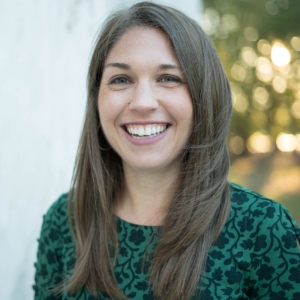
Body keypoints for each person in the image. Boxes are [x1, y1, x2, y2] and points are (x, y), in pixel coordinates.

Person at [33, 2, 300, 299]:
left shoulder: (263, 228)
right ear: (97, 99)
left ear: (203, 95)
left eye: (168, 78)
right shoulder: (65, 221)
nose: (143, 102)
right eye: (121, 79)